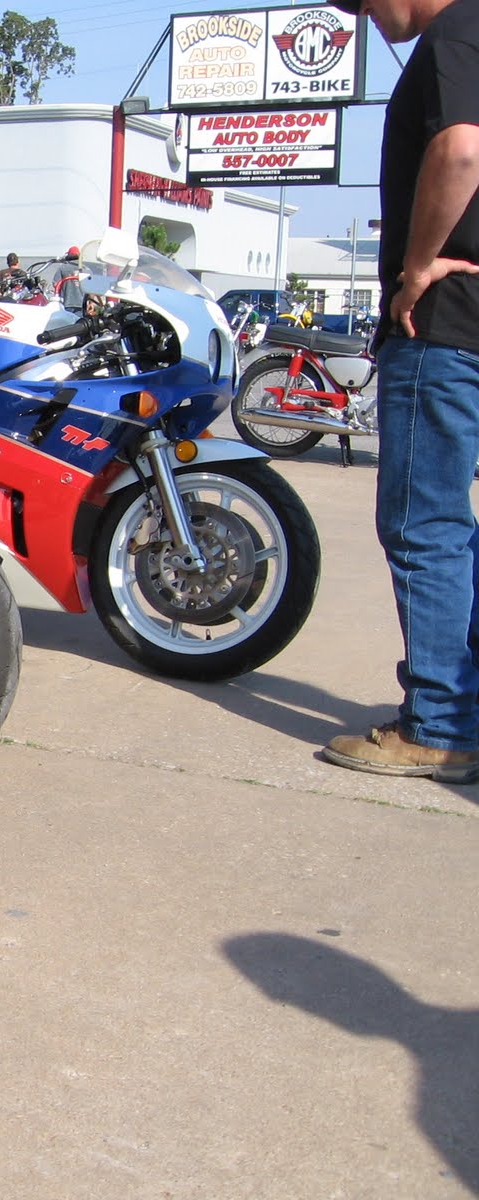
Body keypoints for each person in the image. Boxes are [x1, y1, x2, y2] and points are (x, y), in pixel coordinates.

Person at [322, 0, 479, 781]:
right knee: (456, 530)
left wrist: (415, 268)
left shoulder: (456, 33)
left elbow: (458, 151)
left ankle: (442, 726)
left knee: (426, 526)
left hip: (442, 329)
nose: (355, 14)